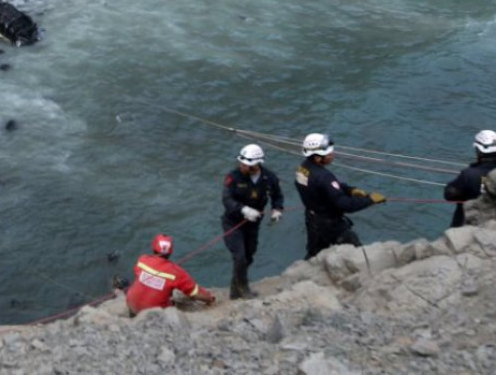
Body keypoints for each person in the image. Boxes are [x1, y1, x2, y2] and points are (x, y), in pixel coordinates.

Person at [295, 133, 386, 259]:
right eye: (328, 153)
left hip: (312, 219)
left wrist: (350, 190)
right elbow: (345, 205)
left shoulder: (303, 168)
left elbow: (324, 187)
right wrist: (370, 200)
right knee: (357, 251)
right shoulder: (325, 176)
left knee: (314, 253)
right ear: (317, 158)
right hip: (331, 224)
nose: (332, 155)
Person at [221, 144, 284, 299]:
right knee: (239, 256)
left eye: (246, 165)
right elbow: (226, 199)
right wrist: (243, 209)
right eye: (241, 163)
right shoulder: (233, 177)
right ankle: (243, 288)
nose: (242, 167)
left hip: (253, 224)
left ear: (256, 164)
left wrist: (277, 209)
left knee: (249, 257)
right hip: (233, 223)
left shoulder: (269, 178)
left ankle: (234, 290)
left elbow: (277, 195)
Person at [125, 234, 216, 315]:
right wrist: (209, 298)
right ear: (171, 251)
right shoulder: (176, 272)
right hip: (153, 314)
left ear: (154, 248)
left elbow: (137, 272)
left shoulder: (142, 260)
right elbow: (195, 293)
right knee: (172, 303)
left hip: (131, 305)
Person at [444, 130, 496, 228]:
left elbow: (449, 194)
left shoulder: (469, 174)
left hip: (466, 228)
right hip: (495, 229)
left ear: (478, 151)